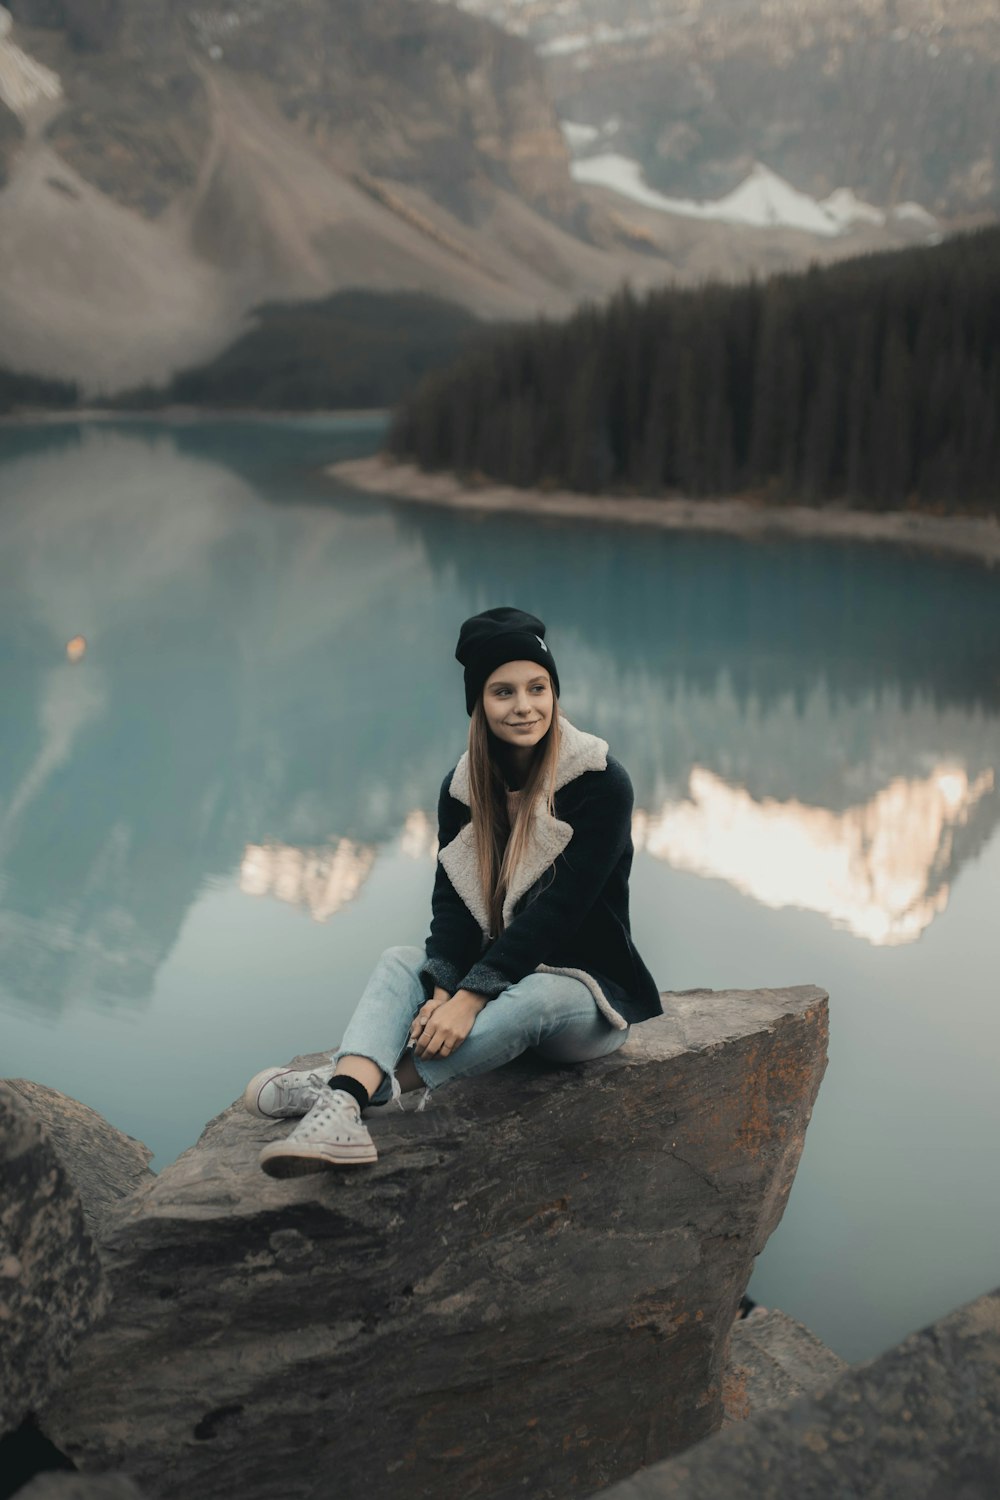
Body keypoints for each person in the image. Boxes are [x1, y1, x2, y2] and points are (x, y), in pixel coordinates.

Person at [244, 606, 662, 1177]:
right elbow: (454, 901)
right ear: (479, 704)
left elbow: (561, 913)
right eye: (503, 692)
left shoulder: (600, 782)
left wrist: (469, 998)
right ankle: (341, 1107)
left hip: (583, 1000)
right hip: (495, 980)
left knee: (534, 997)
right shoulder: (463, 787)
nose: (524, 706)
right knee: (400, 962)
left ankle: (352, 1085)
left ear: (554, 692)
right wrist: (443, 984)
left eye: (538, 687)